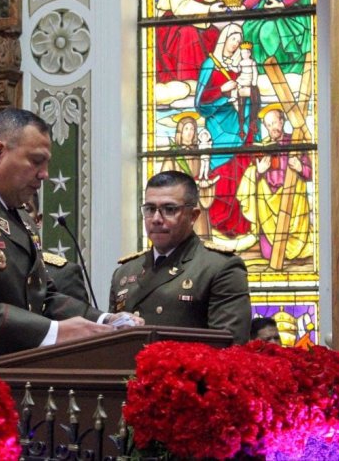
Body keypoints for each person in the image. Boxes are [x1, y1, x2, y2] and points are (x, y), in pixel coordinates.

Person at [0, 108, 142, 363]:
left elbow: (45, 297)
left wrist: (103, 320)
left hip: (6, 372)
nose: (44, 174)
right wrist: (56, 332)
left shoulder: (16, 216)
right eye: (36, 161)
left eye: (46, 163)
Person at [109, 170, 251, 344]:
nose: (156, 219)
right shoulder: (125, 271)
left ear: (193, 216)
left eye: (169, 209)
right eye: (150, 209)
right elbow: (112, 342)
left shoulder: (219, 267)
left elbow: (229, 345)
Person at [195, 23, 256, 237]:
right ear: (224, 40)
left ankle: (237, 224)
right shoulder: (209, 66)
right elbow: (200, 104)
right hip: (218, 127)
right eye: (233, 39)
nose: (236, 44)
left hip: (237, 124)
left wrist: (245, 94)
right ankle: (217, 223)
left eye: (239, 41)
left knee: (237, 170)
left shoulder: (237, 67)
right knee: (220, 172)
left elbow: (247, 92)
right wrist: (222, 91)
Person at [236, 106, 313, 262]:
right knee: (268, 253)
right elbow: (249, 178)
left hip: (293, 204)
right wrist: (258, 171)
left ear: (282, 121)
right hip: (268, 209)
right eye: (268, 125)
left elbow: (313, 173)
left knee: (302, 250)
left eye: (274, 123)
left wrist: (300, 167)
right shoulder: (263, 147)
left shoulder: (296, 142)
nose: (272, 128)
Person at [24, 194, 91, 304]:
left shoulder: (65, 275)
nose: (21, 217)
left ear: (38, 221)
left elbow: (80, 319)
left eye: (26, 210)